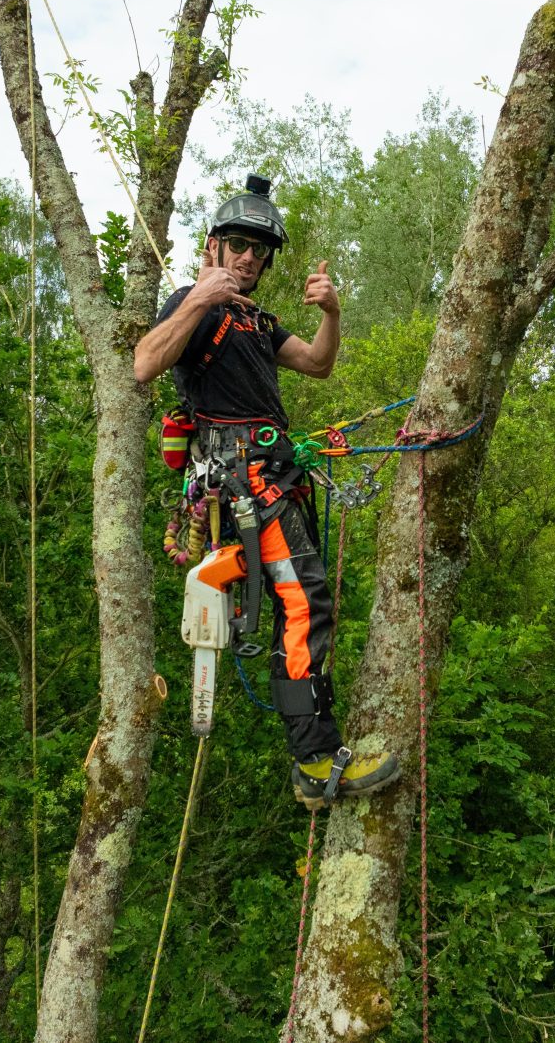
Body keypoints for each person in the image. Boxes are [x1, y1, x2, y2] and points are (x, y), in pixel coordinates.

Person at [134, 175, 399, 809]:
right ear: (214, 246)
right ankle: (313, 759)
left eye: (260, 248)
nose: (249, 256)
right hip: (243, 478)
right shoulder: (191, 305)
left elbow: (317, 363)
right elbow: (144, 364)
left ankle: (314, 752)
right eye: (237, 244)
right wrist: (199, 298)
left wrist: (333, 313)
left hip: (271, 474)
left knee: (301, 603)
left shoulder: (255, 320)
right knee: (306, 602)